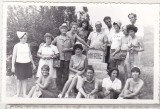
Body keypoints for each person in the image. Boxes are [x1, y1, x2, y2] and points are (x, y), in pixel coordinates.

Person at [11, 31, 36, 97]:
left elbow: (30, 55)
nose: (25, 39)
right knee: (19, 79)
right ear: (20, 38)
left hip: (27, 64)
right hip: (19, 64)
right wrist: (12, 66)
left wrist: (33, 64)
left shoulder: (27, 45)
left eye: (26, 38)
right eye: (24, 38)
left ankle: (24, 94)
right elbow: (14, 56)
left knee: (25, 79)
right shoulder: (16, 46)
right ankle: (18, 94)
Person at [52, 23, 74, 90]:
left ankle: (64, 87)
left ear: (67, 30)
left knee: (65, 74)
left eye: (65, 28)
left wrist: (68, 49)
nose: (64, 29)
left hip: (67, 58)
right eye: (62, 28)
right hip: (59, 58)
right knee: (58, 74)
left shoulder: (69, 38)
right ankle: (59, 88)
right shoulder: (57, 38)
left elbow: (74, 47)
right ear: (60, 30)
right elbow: (51, 45)